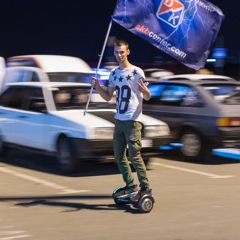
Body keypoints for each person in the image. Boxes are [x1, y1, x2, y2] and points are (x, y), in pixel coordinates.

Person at [91, 39, 152, 202]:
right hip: (119, 119)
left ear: (128, 52)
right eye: (116, 52)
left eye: (122, 52)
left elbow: (147, 96)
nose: (119, 55)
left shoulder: (137, 72)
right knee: (118, 155)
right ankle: (130, 185)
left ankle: (145, 188)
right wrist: (97, 86)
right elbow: (107, 97)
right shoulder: (114, 74)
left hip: (133, 120)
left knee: (134, 154)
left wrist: (146, 92)